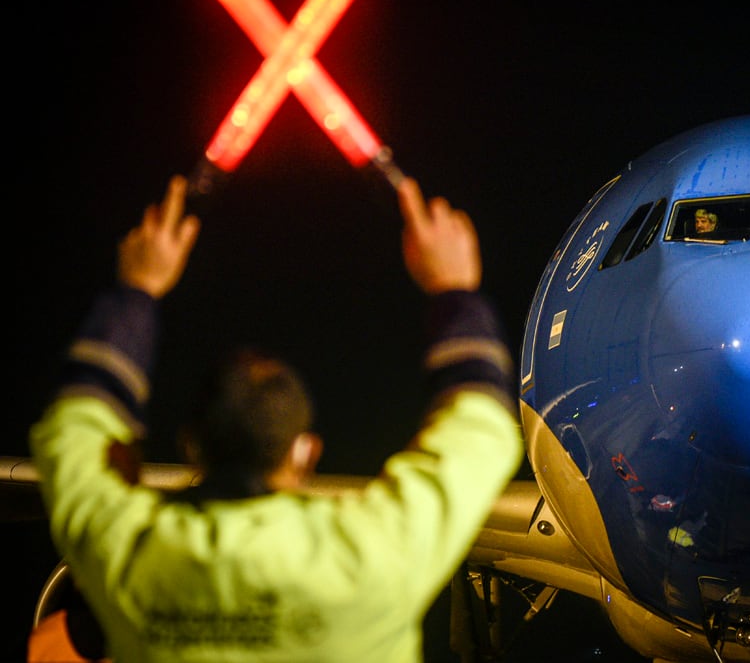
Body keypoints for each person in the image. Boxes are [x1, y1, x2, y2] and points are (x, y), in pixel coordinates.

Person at [29, 174, 524, 662]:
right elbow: (481, 429)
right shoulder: (372, 556)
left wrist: (137, 288)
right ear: (305, 451)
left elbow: (72, 427)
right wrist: (453, 286)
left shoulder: (130, 556)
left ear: (190, 445)